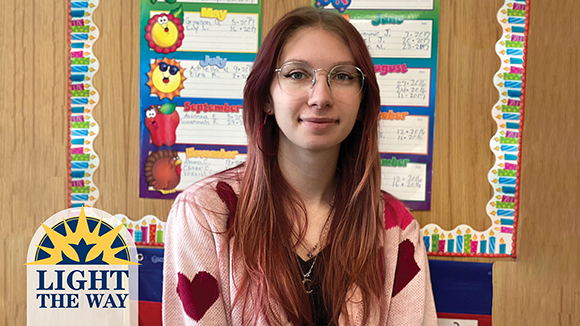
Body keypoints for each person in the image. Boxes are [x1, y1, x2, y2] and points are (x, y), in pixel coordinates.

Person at [163, 6, 437, 326]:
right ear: (266, 96)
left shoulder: (395, 229)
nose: (320, 96)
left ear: (363, 101)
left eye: (343, 76)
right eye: (297, 74)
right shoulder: (205, 213)